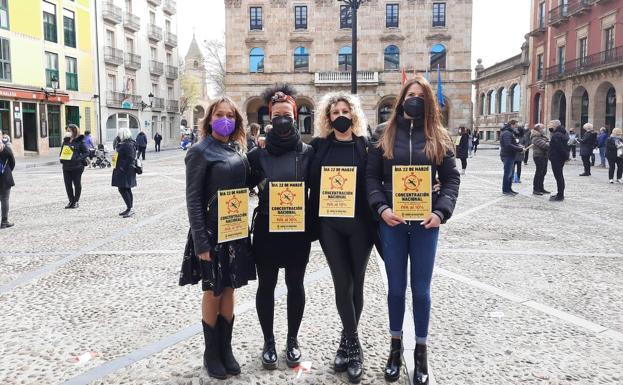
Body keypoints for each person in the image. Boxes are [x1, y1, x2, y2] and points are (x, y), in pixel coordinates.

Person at [366, 77, 460, 384]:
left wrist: (440, 211)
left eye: (420, 95)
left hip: (425, 224)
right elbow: (371, 178)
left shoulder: (439, 136)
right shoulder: (384, 133)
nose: (415, 99)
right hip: (392, 222)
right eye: (410, 94)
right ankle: (395, 348)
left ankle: (421, 351)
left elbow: (451, 179)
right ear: (402, 98)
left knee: (421, 290)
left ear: (428, 101)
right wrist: (382, 208)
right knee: (395, 288)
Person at [182, 97, 254, 380]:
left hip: (234, 229)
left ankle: (226, 348)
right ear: (210, 119)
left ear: (236, 120)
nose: (225, 119)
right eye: (219, 114)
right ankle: (211, 352)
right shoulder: (200, 151)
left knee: (230, 288)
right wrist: (201, 241)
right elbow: (193, 199)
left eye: (230, 115)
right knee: (212, 290)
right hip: (211, 232)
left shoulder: (237, 148)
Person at [308, 92, 375, 383]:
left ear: (354, 114)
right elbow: (305, 178)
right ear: (327, 118)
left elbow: (382, 178)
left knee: (356, 284)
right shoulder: (319, 147)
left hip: (361, 224)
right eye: (334, 113)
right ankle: (354, 347)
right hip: (330, 225)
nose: (340, 116)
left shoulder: (366, 147)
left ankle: (345, 343)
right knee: (341, 283)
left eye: (345, 111)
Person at [247, 84, 314, 370]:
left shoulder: (310, 153)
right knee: (267, 286)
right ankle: (269, 341)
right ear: (269, 119)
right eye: (277, 115)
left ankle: (292, 339)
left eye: (287, 114)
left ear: (295, 117)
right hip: (266, 231)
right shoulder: (256, 154)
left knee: (295, 286)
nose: (282, 119)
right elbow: (236, 189)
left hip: (297, 232)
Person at [60, 124, 89, 209]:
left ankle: (76, 201)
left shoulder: (80, 140)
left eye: (69, 130)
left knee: (77, 184)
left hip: (77, 166)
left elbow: (86, 152)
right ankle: (70, 201)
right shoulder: (66, 140)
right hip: (66, 166)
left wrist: (78, 158)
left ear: (74, 131)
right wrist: (61, 158)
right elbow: (62, 151)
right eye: (67, 130)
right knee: (67, 184)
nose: (67, 132)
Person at [111, 127, 137, 218]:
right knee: (126, 189)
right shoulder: (124, 143)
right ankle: (129, 208)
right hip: (122, 169)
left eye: (119, 134)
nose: (117, 136)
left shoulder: (128, 144)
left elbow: (130, 158)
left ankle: (130, 208)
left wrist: (122, 167)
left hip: (125, 170)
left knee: (123, 189)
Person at [499, 120, 523, 195]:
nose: (516, 127)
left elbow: (513, 143)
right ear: (512, 125)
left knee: (511, 174)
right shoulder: (507, 133)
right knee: (508, 173)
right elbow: (508, 145)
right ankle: (506, 190)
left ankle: (509, 189)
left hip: (510, 155)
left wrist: (519, 146)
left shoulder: (509, 132)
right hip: (507, 155)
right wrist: (519, 149)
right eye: (516, 125)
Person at [548, 120, 569, 201]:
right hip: (559, 157)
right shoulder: (562, 133)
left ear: (555, 126)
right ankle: (560, 193)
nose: (550, 127)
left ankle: (560, 195)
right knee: (559, 176)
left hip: (556, 158)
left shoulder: (557, 135)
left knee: (559, 177)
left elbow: (559, 147)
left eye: (551, 125)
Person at [531, 124, 550, 195]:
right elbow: (545, 146)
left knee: (543, 172)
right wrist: (548, 142)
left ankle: (541, 187)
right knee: (539, 172)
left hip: (544, 156)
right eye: (543, 128)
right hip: (538, 156)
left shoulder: (542, 136)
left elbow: (547, 142)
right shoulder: (535, 137)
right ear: (538, 129)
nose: (544, 129)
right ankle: (536, 189)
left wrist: (547, 141)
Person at [0, 139, 15, 228]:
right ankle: (4, 221)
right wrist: (7, 171)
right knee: (5, 199)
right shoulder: (6, 149)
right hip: (5, 177)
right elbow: (12, 163)